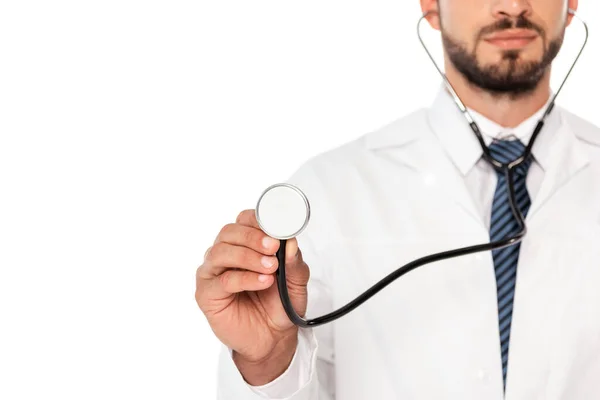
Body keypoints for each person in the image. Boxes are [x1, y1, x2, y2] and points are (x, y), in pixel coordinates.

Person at [196, 0, 600, 398]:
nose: (512, 5)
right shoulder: (331, 190)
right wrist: (268, 361)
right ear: (431, 6)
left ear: (571, 5)